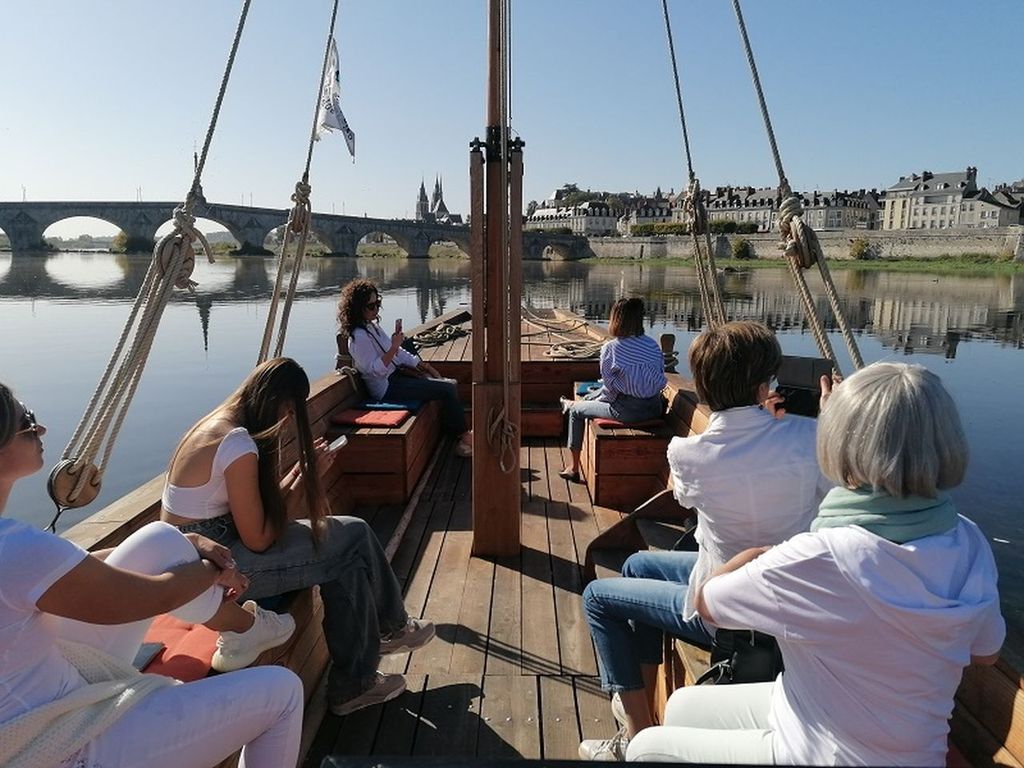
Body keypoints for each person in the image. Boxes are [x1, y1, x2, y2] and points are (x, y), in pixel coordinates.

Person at [627, 362, 1005, 765]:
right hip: (878, 738)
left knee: (644, 749)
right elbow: (986, 653)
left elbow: (707, 602)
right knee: (685, 704)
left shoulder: (819, 556)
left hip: (823, 753)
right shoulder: (967, 539)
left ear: (840, 442)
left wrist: (759, 555)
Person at [0, 381, 304, 768]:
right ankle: (245, 628)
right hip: (56, 746)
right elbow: (156, 598)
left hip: (42, 694)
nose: (40, 429)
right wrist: (213, 570)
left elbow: (71, 561)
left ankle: (243, 629)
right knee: (283, 693)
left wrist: (190, 540)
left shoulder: (15, 545)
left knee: (162, 538)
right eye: (27, 421)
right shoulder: (14, 548)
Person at [579, 321, 829, 760]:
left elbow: (684, 493)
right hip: (785, 595)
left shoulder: (687, 454)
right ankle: (642, 696)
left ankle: (635, 734)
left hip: (729, 611)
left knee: (598, 598)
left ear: (703, 384)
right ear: (764, 382)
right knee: (636, 565)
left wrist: (755, 416)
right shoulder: (810, 437)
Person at [160, 357, 435, 717]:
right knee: (353, 538)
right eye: (290, 412)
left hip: (200, 554)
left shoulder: (215, 426)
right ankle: (386, 636)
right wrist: (306, 480)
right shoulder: (237, 444)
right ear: (279, 403)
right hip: (215, 571)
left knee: (348, 552)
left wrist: (294, 478)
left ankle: (361, 676)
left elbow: (249, 517)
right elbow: (259, 540)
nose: (287, 422)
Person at [338, 278, 473, 457]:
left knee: (448, 383)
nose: (376, 309)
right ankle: (463, 436)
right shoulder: (358, 337)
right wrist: (393, 347)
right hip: (386, 388)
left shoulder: (372, 327)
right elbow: (373, 371)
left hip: (396, 378)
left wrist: (423, 365)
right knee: (448, 388)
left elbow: (399, 354)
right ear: (358, 308)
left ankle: (455, 432)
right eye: (371, 306)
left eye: (377, 303)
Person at [559, 297, 667, 482]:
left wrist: (589, 402)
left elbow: (609, 392)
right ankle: (575, 404)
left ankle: (573, 468)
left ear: (616, 319)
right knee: (591, 397)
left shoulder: (611, 349)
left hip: (627, 411)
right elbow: (659, 374)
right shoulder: (652, 345)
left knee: (576, 411)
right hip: (654, 407)